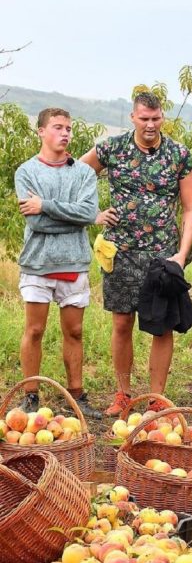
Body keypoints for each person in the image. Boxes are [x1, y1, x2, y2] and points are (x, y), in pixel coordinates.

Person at [81, 92, 192, 415]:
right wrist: (93, 213)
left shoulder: (179, 154)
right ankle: (123, 394)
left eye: (156, 118)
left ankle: (156, 399)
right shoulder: (112, 148)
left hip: (163, 256)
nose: (150, 124)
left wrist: (182, 254)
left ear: (163, 117)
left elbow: (191, 208)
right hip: (121, 252)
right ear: (133, 117)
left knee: (161, 325)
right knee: (121, 323)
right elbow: (77, 175)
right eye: (144, 118)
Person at [15, 108, 101, 418]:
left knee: (75, 331)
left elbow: (89, 213)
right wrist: (75, 217)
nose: (64, 133)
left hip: (74, 262)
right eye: (57, 127)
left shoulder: (83, 173)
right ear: (41, 131)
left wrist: (46, 206)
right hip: (38, 262)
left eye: (68, 128)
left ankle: (76, 395)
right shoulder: (26, 172)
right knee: (35, 330)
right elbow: (37, 225)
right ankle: (30, 394)